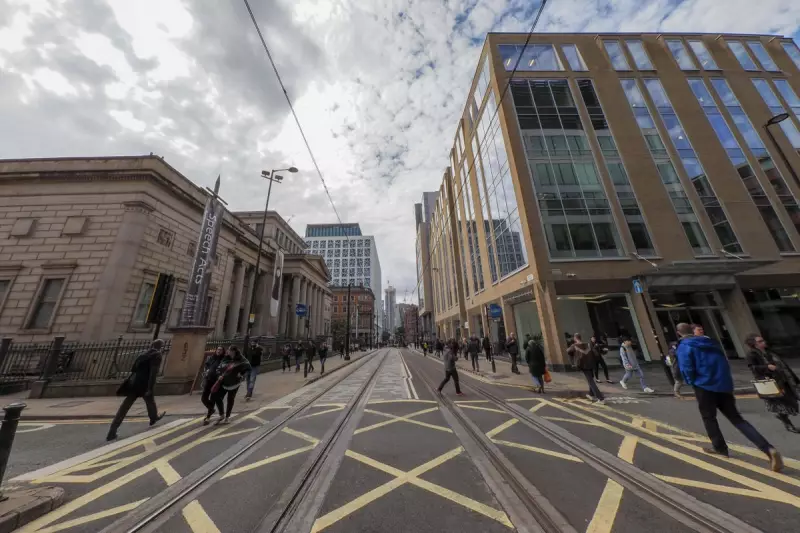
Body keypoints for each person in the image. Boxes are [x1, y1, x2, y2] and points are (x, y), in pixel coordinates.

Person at [676, 323, 783, 471]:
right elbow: (724, 364)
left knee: (709, 418)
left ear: (678, 333)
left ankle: (720, 449)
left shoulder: (684, 346)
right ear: (692, 331)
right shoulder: (710, 343)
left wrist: (691, 381)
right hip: (723, 385)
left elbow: (687, 368)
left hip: (704, 386)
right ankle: (768, 449)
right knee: (737, 419)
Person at [107, 339, 166, 440]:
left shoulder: (142, 355)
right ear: (161, 347)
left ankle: (112, 430)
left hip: (134, 383)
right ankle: (153, 418)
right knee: (150, 400)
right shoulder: (157, 355)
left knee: (124, 407)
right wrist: (150, 388)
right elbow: (153, 373)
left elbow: (133, 369)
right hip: (144, 383)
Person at [745, 334, 800, 434]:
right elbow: (753, 368)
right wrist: (767, 367)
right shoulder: (752, 355)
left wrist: (794, 379)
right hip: (771, 382)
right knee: (781, 404)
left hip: (784, 379)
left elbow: (783, 365)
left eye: (763, 340)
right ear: (754, 344)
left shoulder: (769, 351)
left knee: (793, 402)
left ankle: (782, 416)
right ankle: (788, 424)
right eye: (760, 341)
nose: (763, 342)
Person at [209, 345, 251, 425]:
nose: (229, 352)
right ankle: (221, 414)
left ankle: (227, 417)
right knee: (216, 396)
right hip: (224, 382)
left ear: (234, 351)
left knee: (230, 399)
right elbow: (219, 367)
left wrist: (241, 373)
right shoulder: (226, 358)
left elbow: (248, 367)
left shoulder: (241, 359)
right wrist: (219, 375)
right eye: (228, 350)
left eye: (230, 351)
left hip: (234, 383)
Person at [568, 334, 605, 403]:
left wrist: (573, 362)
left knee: (591, 381)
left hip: (583, 365)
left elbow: (568, 351)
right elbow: (595, 353)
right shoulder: (588, 344)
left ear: (575, 338)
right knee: (590, 379)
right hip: (591, 363)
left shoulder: (574, 346)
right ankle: (591, 394)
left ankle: (600, 398)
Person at [201, 346, 226, 424]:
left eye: (221, 350)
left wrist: (222, 376)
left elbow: (226, 369)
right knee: (204, 398)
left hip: (217, 382)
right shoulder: (212, 357)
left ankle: (208, 417)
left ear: (223, 351)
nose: (219, 351)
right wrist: (206, 370)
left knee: (213, 399)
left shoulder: (224, 359)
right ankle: (211, 409)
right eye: (218, 349)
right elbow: (206, 365)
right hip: (209, 380)